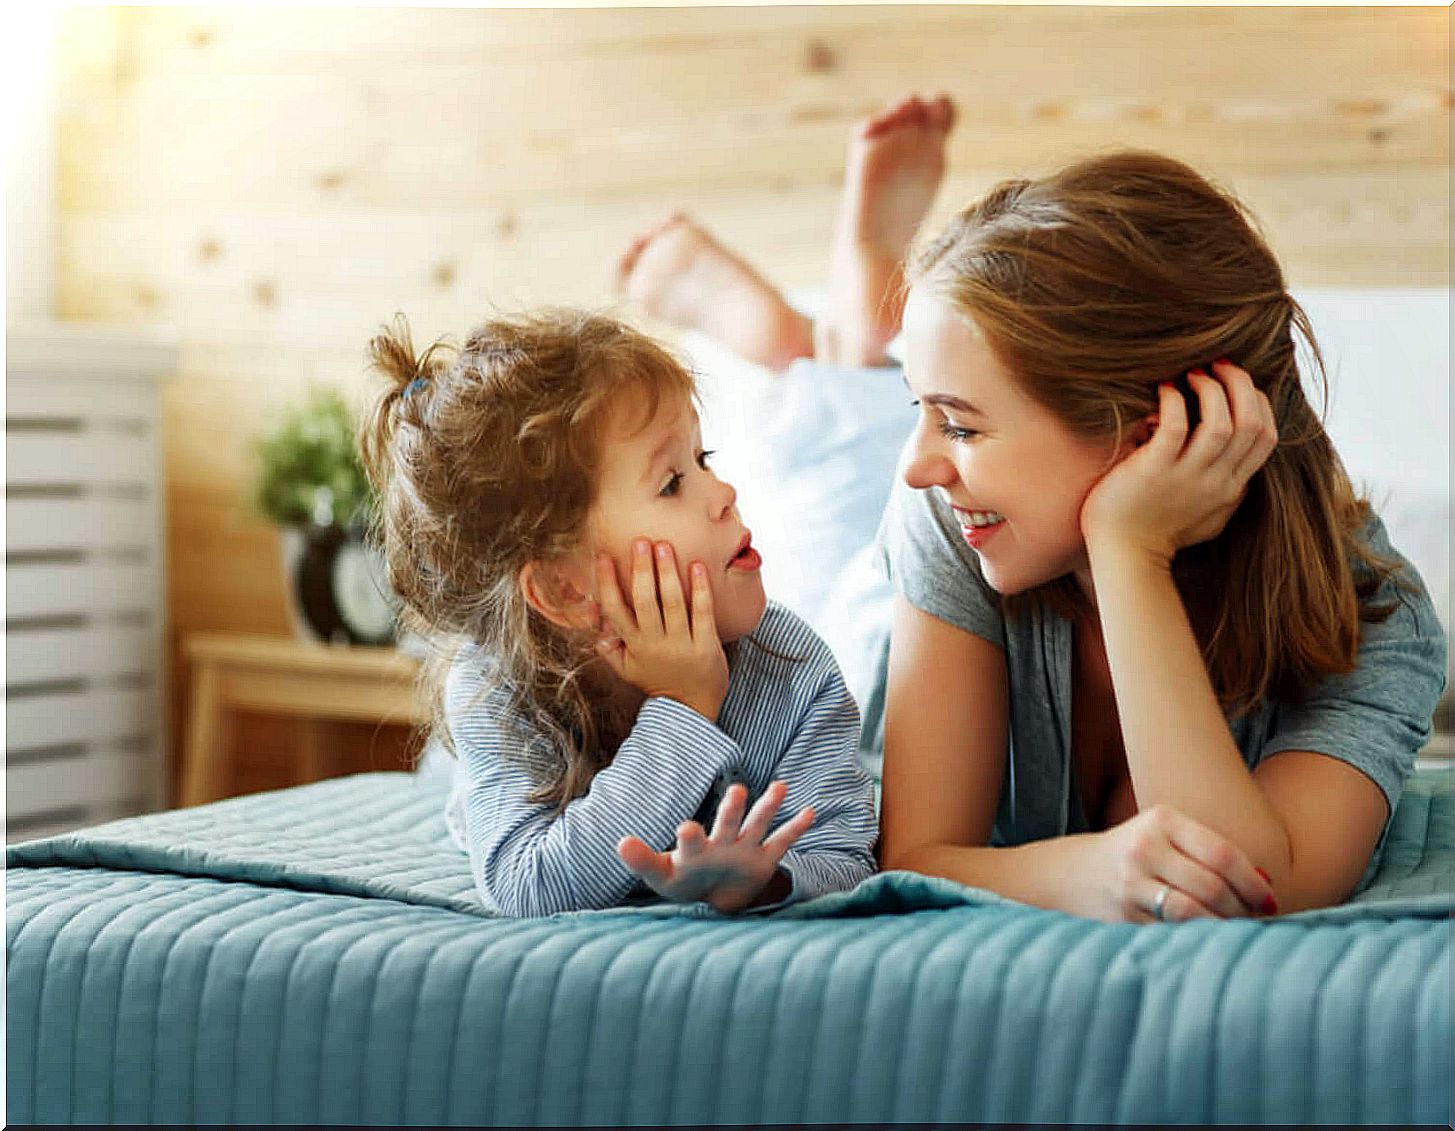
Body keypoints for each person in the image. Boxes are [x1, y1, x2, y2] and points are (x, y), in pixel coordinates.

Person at [616, 94, 1448, 923]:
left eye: (961, 424)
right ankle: (838, 333)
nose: (918, 469)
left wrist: (1128, 552)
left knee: (853, 490)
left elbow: (1250, 894)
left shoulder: (1375, 617)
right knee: (843, 529)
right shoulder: (945, 518)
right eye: (930, 412)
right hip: (876, 624)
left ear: (1149, 433)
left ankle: (842, 346)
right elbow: (913, 853)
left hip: (1008, 533)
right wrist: (1084, 870)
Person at [360, 310, 876, 918]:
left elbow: (847, 852)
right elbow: (529, 886)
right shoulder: (496, 689)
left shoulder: (792, 667)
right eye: (672, 482)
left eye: (704, 458)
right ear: (566, 590)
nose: (723, 494)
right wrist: (683, 711)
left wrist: (770, 880)